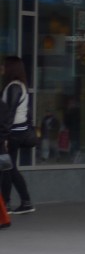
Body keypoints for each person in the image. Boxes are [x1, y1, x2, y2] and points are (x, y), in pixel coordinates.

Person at [1, 56, 34, 215]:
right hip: (16, 132)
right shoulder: (19, 85)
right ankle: (24, 202)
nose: (2, 67)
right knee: (9, 167)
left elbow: (10, 112)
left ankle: (8, 204)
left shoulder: (14, 87)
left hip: (12, 133)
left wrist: (4, 136)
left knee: (7, 168)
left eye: (4, 65)